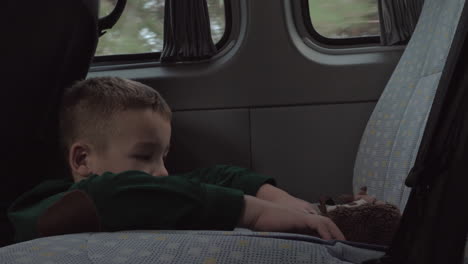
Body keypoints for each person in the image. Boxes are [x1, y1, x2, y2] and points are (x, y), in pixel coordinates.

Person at [8, 77, 345, 243]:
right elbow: (121, 193)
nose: (163, 172)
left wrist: (284, 202)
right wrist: (256, 214)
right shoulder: (53, 207)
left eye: (163, 156)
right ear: (82, 159)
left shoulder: (137, 192)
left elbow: (208, 178)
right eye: (144, 156)